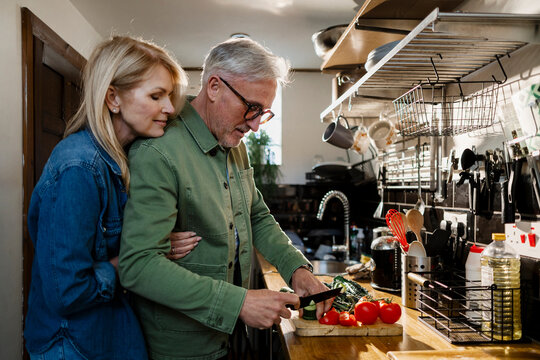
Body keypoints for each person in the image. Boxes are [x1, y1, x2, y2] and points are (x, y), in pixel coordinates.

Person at [119, 37, 332, 360]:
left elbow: (256, 215)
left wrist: (297, 271)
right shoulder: (158, 152)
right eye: (252, 108)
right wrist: (239, 303)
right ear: (215, 87)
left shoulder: (235, 145)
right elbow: (138, 266)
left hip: (231, 337)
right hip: (183, 348)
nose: (257, 125)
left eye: (264, 113)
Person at [24, 35, 197, 360]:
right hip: (72, 346)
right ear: (113, 98)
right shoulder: (79, 167)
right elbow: (67, 292)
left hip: (110, 336)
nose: (170, 108)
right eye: (156, 95)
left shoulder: (123, 159)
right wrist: (143, 253)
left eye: (169, 97)